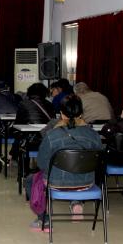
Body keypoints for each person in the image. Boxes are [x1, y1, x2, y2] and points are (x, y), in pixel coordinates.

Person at [32, 94, 103, 231]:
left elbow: (41, 163)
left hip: (56, 183)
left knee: (31, 181)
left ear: (61, 114)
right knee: (74, 174)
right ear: (81, 114)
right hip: (86, 182)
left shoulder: (52, 135)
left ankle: (44, 220)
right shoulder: (94, 135)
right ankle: (77, 203)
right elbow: (99, 160)